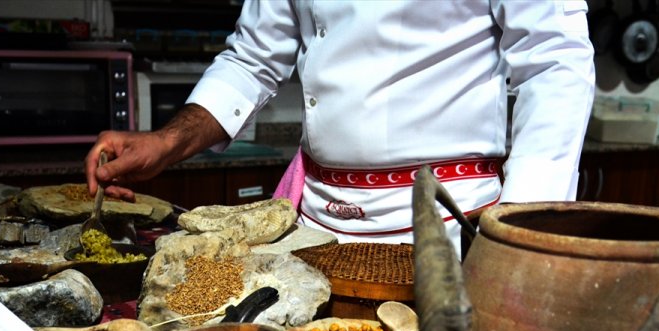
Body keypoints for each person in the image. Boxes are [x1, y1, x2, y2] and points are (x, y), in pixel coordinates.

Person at [86, 1, 595, 256]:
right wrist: (166, 141)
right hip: (312, 226)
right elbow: (253, 58)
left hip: (445, 226)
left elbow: (555, 62)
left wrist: (524, 228)